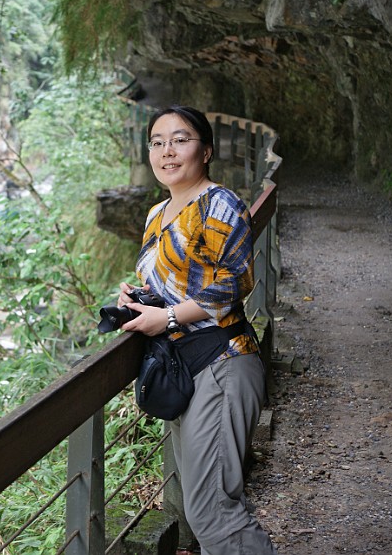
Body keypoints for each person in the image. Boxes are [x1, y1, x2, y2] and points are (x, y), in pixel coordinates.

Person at [118, 105, 277, 555]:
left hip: (222, 363)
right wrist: (137, 298)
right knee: (202, 505)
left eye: (180, 139)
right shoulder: (157, 213)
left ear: (206, 151)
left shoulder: (219, 204)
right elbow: (169, 283)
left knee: (212, 510)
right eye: (157, 142)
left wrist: (166, 319)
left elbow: (231, 284)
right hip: (186, 367)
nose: (167, 151)